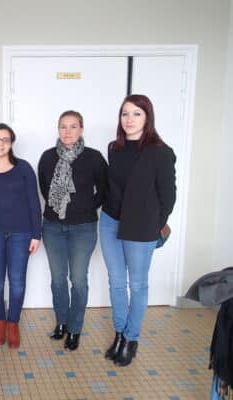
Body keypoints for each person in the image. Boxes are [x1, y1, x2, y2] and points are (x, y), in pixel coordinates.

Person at [100, 94, 176, 366]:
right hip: (110, 221)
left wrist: (154, 226)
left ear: (147, 117)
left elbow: (168, 196)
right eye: (125, 114)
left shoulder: (160, 152)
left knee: (138, 284)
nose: (129, 119)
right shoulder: (114, 148)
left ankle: (132, 338)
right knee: (116, 282)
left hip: (141, 226)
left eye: (136, 114)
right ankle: (120, 333)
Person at [38, 110, 107, 351]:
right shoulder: (47, 157)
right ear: (58, 129)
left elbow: (105, 189)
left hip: (83, 228)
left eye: (73, 126)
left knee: (77, 279)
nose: (68, 132)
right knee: (58, 279)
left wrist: (86, 206)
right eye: (63, 126)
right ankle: (62, 323)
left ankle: (75, 329)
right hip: (52, 227)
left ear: (81, 129)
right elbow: (44, 189)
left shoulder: (94, 157)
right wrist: (60, 206)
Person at [0, 123, 42, 349]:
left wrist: (36, 234)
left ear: (11, 143)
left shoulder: (23, 168)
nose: (0, 144)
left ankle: (13, 322)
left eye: (5, 140)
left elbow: (34, 202)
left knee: (17, 282)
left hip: (21, 233)